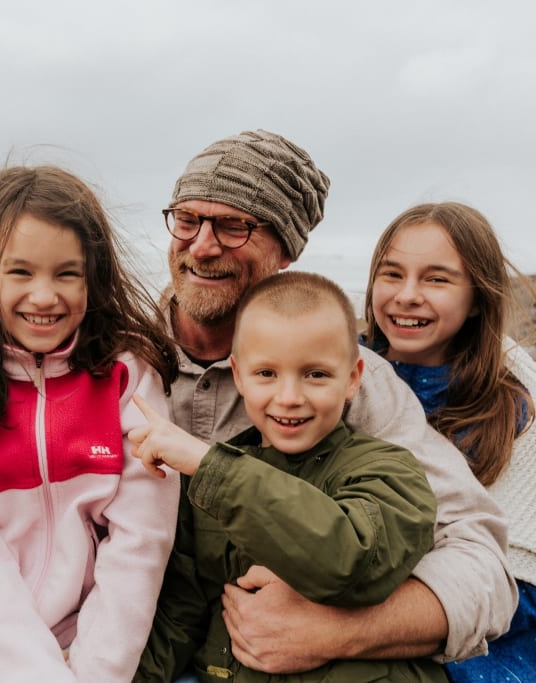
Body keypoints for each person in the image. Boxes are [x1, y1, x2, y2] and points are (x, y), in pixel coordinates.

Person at [147, 129, 515, 677]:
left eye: (234, 225)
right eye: (187, 219)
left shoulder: (358, 387)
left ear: (288, 252)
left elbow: (482, 564)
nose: (202, 245)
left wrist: (338, 632)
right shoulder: (116, 358)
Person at [0, 165, 181, 682]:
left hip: (90, 650)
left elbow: (141, 540)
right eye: (21, 272)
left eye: (66, 273)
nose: (45, 296)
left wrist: (94, 672)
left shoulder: (128, 376)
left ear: (92, 276)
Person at [132, 270, 446, 681]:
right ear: (239, 375)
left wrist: (211, 467)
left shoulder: (389, 471)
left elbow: (349, 559)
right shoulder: (205, 486)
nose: (290, 398)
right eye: (267, 374)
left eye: (315, 374)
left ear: (352, 378)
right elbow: (179, 617)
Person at [364, 202, 536, 681]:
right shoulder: (335, 377)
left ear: (478, 297)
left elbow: (523, 579)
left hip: (484, 649)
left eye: (437, 279)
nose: (407, 295)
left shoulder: (515, 409)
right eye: (392, 274)